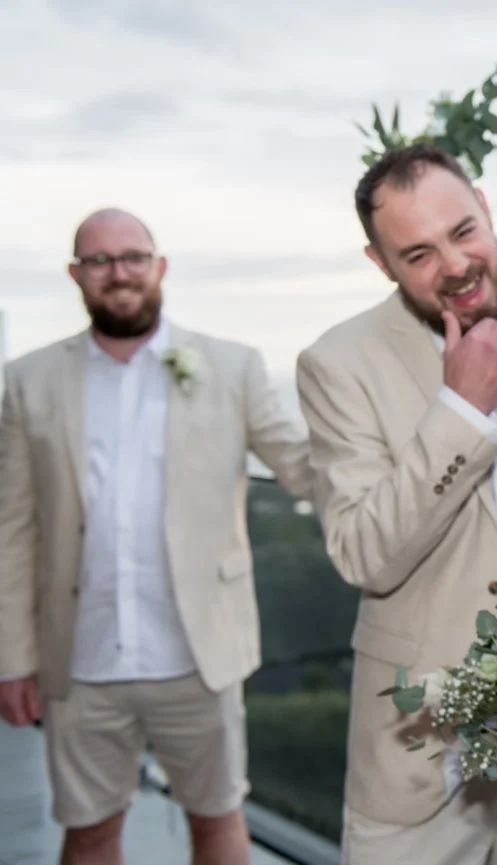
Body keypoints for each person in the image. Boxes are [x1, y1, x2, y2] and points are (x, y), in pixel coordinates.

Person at [295, 144, 497, 864]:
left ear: (487, 210)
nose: (456, 266)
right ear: (381, 263)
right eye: (419, 254)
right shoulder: (338, 364)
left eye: (464, 232)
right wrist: (463, 408)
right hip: (424, 753)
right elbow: (362, 552)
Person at [0, 208, 314, 865]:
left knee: (219, 819)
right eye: (100, 260)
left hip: (199, 657)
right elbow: (13, 528)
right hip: (81, 661)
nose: (119, 273)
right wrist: (12, 657)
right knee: (87, 832)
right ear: (76, 275)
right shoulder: (28, 380)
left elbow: (305, 469)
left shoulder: (232, 366)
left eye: (133, 256)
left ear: (159, 266)